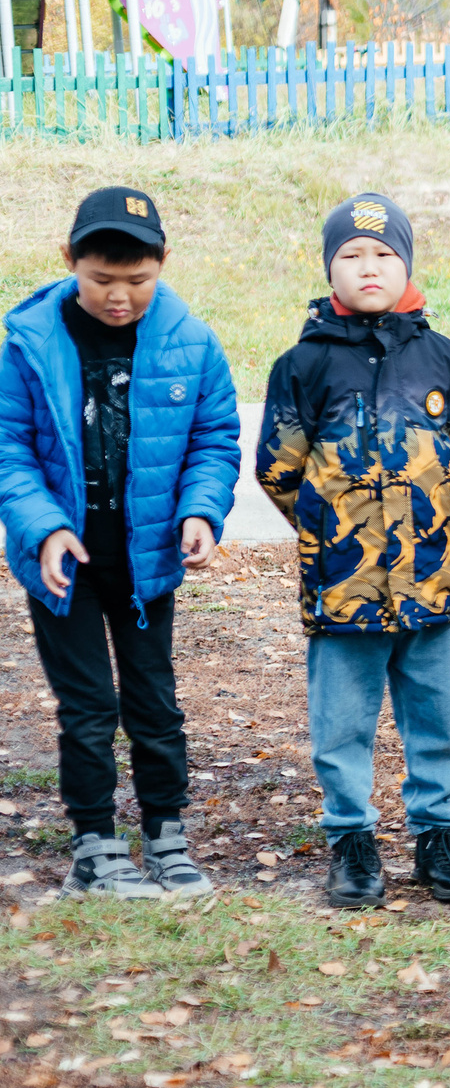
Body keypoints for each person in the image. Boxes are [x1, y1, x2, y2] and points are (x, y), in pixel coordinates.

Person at [0, 186, 238, 898]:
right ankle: (95, 850)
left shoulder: (191, 342)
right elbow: (9, 448)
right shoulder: (29, 342)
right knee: (88, 707)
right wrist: (44, 527)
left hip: (146, 564)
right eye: (102, 279)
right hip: (63, 565)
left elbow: (214, 440)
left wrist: (200, 511)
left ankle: (167, 835)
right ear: (69, 260)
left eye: (137, 281)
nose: (119, 296)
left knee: (153, 701)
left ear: (163, 263)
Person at [256, 194, 450, 909]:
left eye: (384, 253)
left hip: (426, 587)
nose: (369, 267)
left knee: (437, 718)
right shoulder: (303, 363)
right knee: (342, 722)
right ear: (331, 269)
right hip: (342, 587)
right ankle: (351, 838)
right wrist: (333, 531)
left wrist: (423, 528)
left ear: (406, 263)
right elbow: (278, 468)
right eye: (351, 256)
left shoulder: (441, 356)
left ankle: (437, 834)